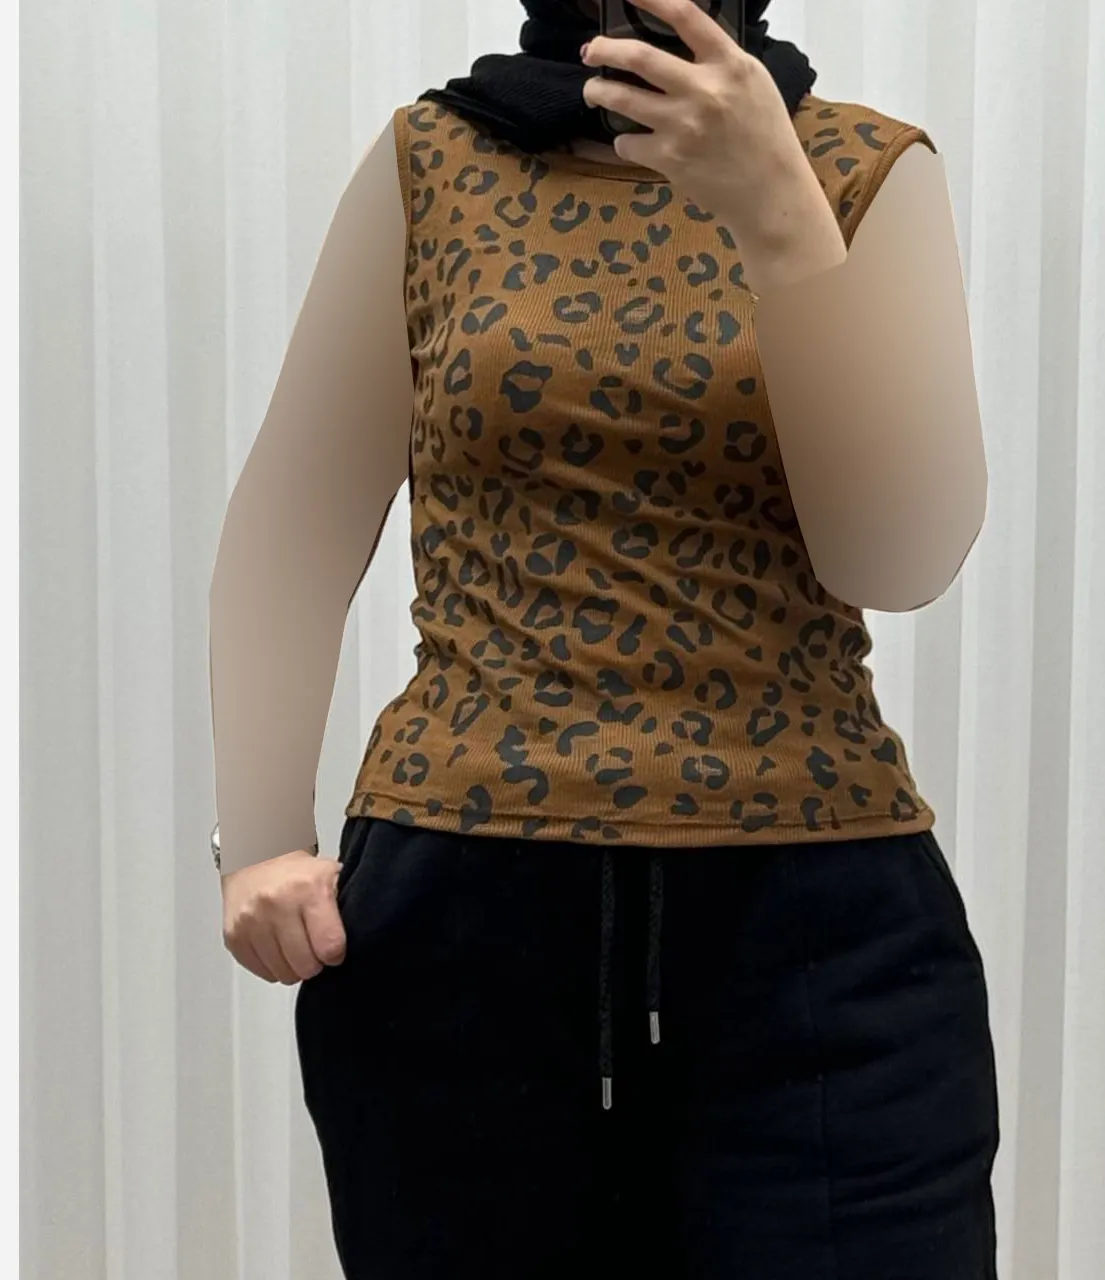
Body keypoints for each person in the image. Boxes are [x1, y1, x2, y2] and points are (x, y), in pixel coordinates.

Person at [207, 0, 997, 1275]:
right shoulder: (434, 163)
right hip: (462, 917)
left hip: (817, 924)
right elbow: (296, 513)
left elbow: (896, 556)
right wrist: (257, 838)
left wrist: (777, 215)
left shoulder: (861, 167)